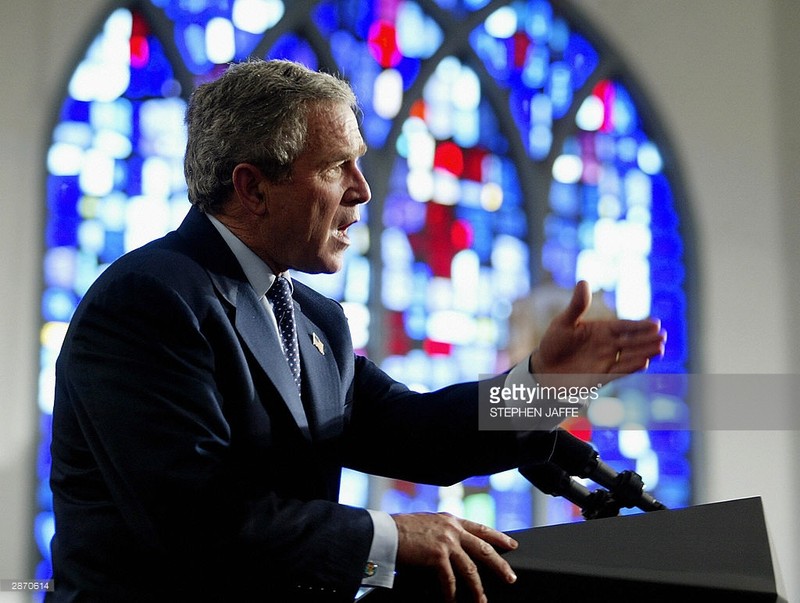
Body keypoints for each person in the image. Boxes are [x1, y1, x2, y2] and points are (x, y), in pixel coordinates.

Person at [48, 58, 666, 603]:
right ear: (252, 186)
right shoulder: (149, 301)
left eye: (360, 165)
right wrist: (391, 537)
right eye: (336, 167)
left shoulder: (317, 320)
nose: (363, 191)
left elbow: (420, 435)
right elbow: (195, 522)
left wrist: (545, 385)